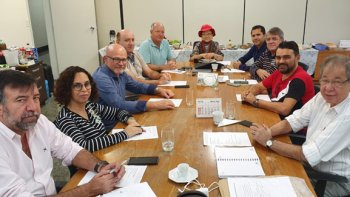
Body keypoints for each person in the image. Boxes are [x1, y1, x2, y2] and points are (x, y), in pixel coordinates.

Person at [0, 70, 125, 196]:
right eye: (21, 100)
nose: (33, 107)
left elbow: (70, 149)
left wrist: (101, 166)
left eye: (35, 98)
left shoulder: (40, 123)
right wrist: (89, 189)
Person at [250, 55, 350, 197]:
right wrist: (267, 132)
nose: (328, 87)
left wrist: (268, 141)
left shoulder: (347, 116)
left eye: (337, 82)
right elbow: (294, 120)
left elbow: (309, 154)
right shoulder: (321, 98)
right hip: (309, 167)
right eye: (325, 80)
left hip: (332, 181)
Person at [54, 66, 143, 152]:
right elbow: (83, 147)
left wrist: (131, 121)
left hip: (105, 153)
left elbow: (117, 111)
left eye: (87, 84)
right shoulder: (65, 118)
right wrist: (125, 134)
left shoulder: (89, 106)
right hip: (91, 164)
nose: (84, 89)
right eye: (77, 86)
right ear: (66, 89)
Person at [92, 44, 175, 129]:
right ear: (105, 59)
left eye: (124, 60)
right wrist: (155, 104)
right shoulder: (101, 78)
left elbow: (136, 86)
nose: (121, 64)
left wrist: (158, 90)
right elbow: (119, 104)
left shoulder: (119, 72)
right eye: (116, 59)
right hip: (109, 127)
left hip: (122, 118)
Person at [242, 41, 315, 118]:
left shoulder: (300, 79)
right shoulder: (279, 72)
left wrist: (255, 101)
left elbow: (284, 109)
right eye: (278, 57)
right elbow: (259, 87)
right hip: (275, 115)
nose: (281, 61)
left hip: (290, 126)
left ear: (297, 58)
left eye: (286, 57)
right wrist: (249, 94)